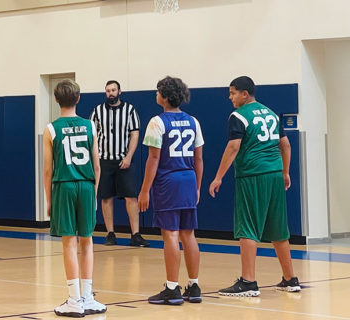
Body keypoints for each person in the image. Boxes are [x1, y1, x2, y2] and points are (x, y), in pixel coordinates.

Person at [209, 76, 301, 296]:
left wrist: (218, 176)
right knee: (279, 229)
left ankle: (248, 282)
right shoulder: (270, 113)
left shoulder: (238, 115)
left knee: (248, 226)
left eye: (232, 93)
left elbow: (233, 147)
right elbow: (285, 144)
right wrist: (285, 171)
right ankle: (290, 279)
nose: (230, 97)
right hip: (274, 174)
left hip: (252, 174)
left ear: (245, 94)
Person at [138, 77, 203, 305]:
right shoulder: (193, 121)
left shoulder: (157, 122)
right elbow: (199, 159)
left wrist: (145, 190)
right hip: (188, 179)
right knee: (189, 234)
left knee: (171, 235)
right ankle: (194, 286)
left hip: (168, 181)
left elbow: (153, 159)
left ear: (165, 96)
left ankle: (172, 288)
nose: (155, 94)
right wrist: (197, 187)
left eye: (158, 91)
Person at [43, 79, 106, 317]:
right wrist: (95, 193)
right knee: (87, 241)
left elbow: (48, 170)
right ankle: (88, 297)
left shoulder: (51, 129)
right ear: (78, 98)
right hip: (87, 185)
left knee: (69, 242)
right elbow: (97, 165)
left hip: (64, 186)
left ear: (56, 100)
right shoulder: (90, 126)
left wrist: (49, 199)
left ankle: (74, 299)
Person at [90, 80, 148, 247]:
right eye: (108, 90)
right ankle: (110, 234)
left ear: (120, 91)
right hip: (104, 160)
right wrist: (96, 157)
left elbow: (135, 135)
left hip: (124, 159)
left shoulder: (129, 110)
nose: (111, 93)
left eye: (113, 90)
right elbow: (92, 134)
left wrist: (129, 156)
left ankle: (135, 234)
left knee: (131, 197)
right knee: (106, 197)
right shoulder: (98, 111)